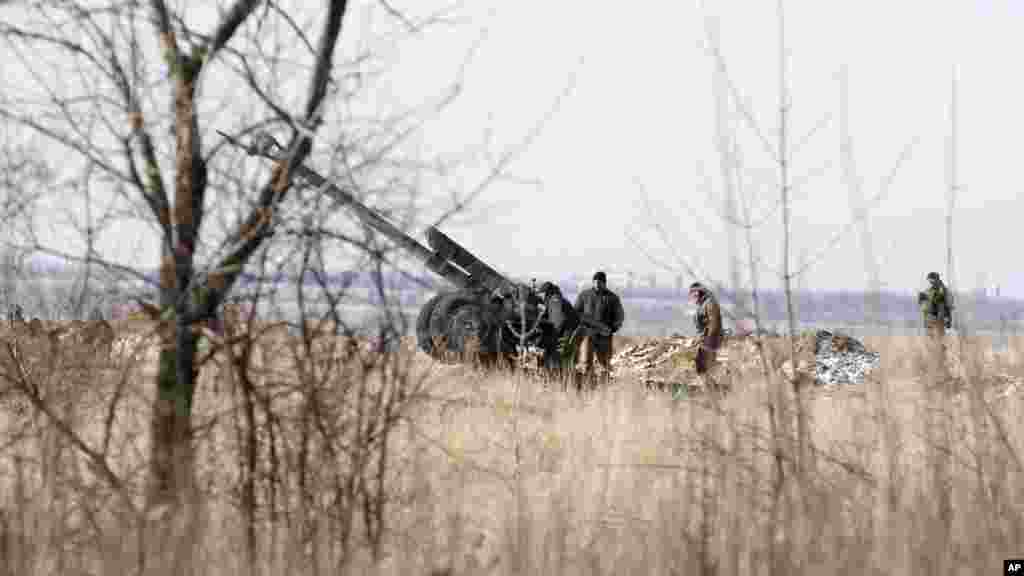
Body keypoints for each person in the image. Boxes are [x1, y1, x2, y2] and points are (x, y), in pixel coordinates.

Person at [573, 271, 624, 381]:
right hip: (588, 335)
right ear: (592, 282)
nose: (597, 284)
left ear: (604, 283)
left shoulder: (612, 298)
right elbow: (576, 312)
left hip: (604, 336)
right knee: (586, 362)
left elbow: (619, 316)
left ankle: (604, 385)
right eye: (595, 282)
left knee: (604, 363)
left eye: (600, 282)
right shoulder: (584, 295)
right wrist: (581, 326)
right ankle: (587, 383)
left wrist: (613, 328)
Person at [537, 281, 580, 379]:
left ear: (546, 293)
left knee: (558, 364)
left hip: (563, 338)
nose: (541, 298)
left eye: (541, 294)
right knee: (565, 365)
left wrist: (549, 338)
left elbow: (558, 321)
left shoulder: (555, 300)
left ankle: (559, 384)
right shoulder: (559, 300)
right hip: (570, 337)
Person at [689, 282, 723, 391]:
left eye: (694, 294)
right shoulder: (703, 304)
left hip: (710, 340)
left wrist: (708, 342)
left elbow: (714, 324)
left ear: (699, 293)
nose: (692, 297)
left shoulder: (710, 303)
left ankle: (712, 390)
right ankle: (709, 388)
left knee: (704, 367)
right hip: (704, 340)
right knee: (701, 367)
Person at [921, 271, 953, 339]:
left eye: (931, 280)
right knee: (931, 333)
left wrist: (948, 318)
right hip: (932, 315)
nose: (930, 282)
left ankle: (940, 342)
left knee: (939, 333)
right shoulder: (930, 289)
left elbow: (947, 303)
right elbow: (925, 302)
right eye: (929, 280)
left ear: (936, 279)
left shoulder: (942, 289)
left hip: (940, 314)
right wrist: (923, 298)